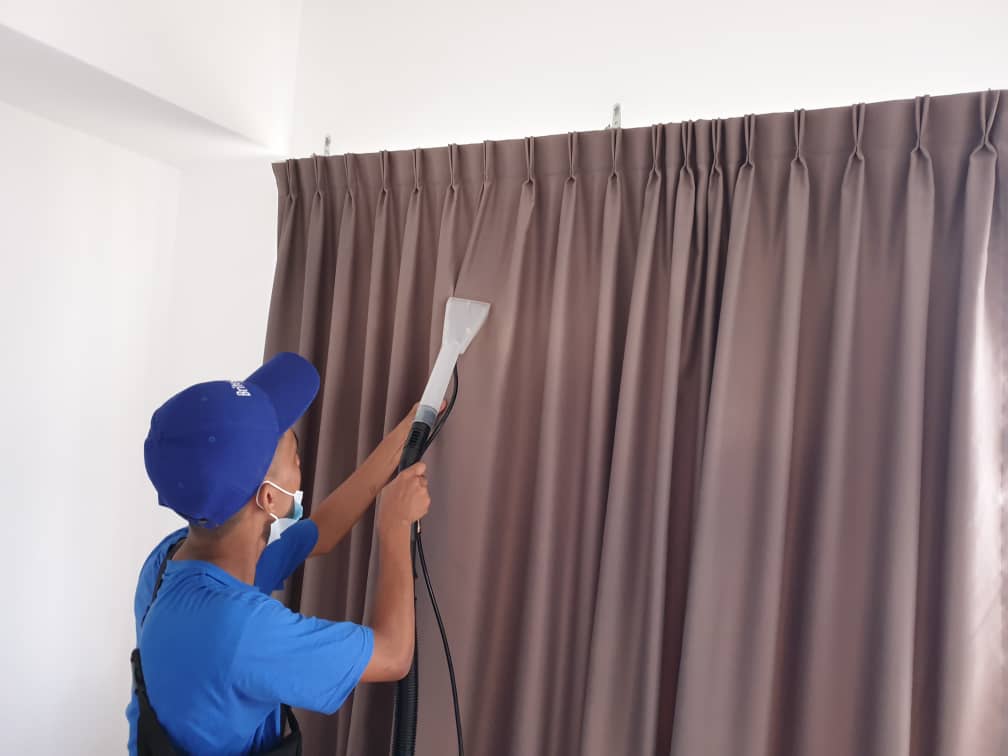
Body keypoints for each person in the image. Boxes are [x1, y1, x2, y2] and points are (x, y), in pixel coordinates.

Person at [126, 352, 431, 754]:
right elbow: (393, 655)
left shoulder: (171, 560)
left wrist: (408, 433)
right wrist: (395, 526)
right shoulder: (242, 629)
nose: (298, 451)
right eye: (292, 449)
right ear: (269, 498)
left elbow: (321, 531)